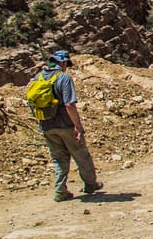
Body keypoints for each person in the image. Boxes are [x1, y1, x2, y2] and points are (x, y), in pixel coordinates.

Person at [27, 49, 103, 201]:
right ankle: (90, 184)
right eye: (66, 63)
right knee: (81, 155)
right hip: (66, 125)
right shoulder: (63, 78)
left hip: (47, 126)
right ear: (62, 62)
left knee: (59, 159)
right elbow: (69, 105)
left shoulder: (37, 78)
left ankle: (60, 191)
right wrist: (78, 127)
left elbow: (32, 103)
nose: (66, 66)